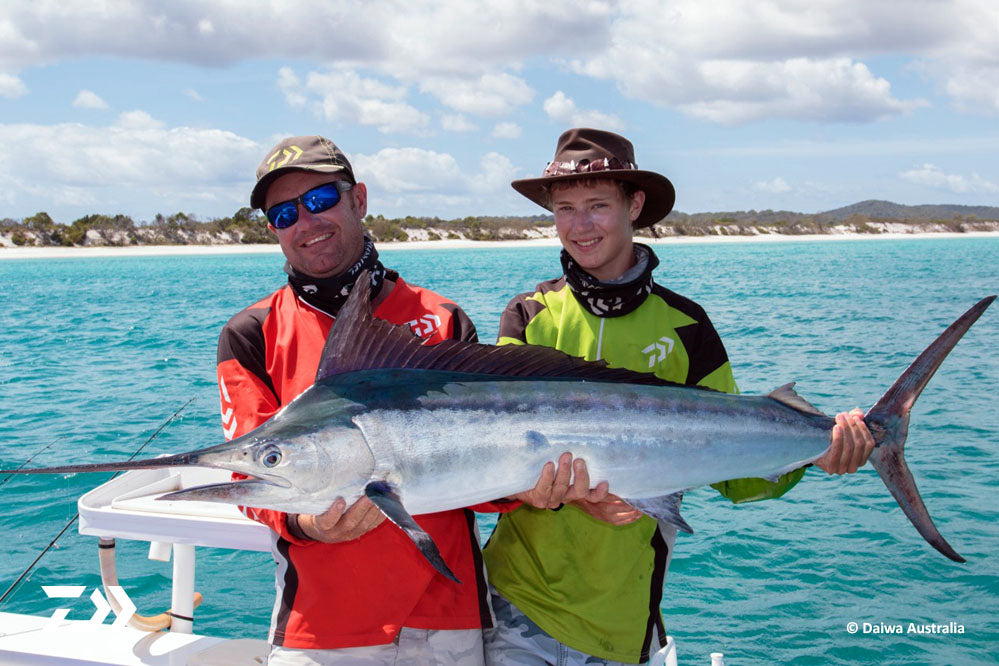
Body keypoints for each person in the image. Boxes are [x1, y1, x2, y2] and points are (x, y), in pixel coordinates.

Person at [481, 128, 876, 665]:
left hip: (622, 623)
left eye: (598, 205)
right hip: (515, 603)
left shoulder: (688, 327)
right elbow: (503, 450)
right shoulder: (528, 315)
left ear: (634, 205)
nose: (580, 225)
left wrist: (815, 453)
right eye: (566, 208)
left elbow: (740, 481)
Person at [217, 135, 530, 665]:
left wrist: (529, 485)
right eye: (284, 214)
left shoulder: (443, 319)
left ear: (359, 200)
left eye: (320, 200)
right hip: (320, 623)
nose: (306, 223)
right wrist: (304, 524)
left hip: (445, 614)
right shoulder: (250, 334)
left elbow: (488, 483)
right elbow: (251, 478)